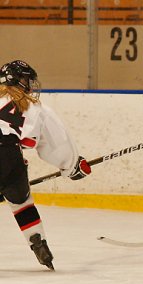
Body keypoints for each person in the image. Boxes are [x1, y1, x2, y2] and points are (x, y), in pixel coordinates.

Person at [0, 60, 91, 270]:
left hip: (8, 153)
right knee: (21, 202)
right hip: (11, 155)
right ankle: (39, 244)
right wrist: (71, 166)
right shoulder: (34, 107)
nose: (29, 84)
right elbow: (55, 142)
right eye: (25, 79)